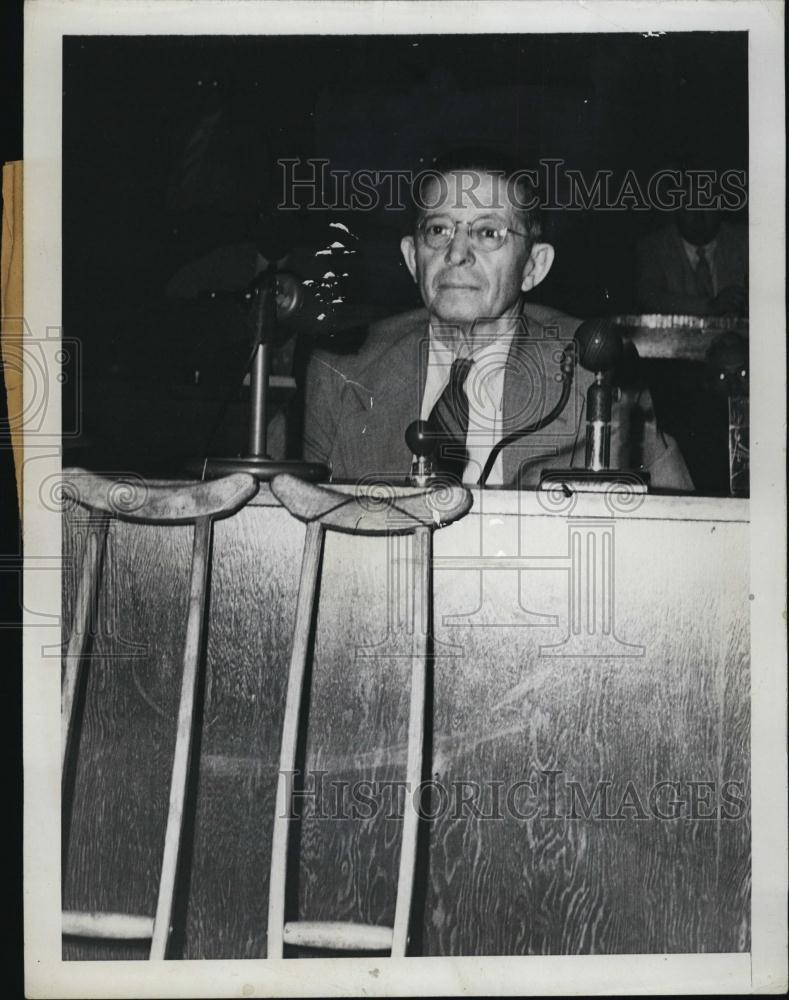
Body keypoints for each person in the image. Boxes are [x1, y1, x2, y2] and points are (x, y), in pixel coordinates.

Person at [303, 149, 693, 490]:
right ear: (411, 257)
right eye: (438, 229)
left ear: (534, 267)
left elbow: (675, 528)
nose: (457, 253)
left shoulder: (597, 374)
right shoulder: (341, 373)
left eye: (489, 232)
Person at [635, 205, 748, 317]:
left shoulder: (745, 241)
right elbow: (650, 299)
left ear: (721, 208)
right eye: (689, 207)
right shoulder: (654, 247)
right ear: (675, 211)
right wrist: (709, 306)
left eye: (707, 205)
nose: (698, 215)